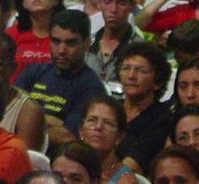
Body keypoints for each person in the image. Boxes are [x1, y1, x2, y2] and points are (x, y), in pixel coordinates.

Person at [14, 10, 106, 147]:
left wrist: (25, 119)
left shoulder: (91, 87)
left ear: (87, 44)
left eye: (70, 43)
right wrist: (49, 121)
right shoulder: (34, 71)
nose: (61, 50)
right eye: (56, 41)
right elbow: (7, 113)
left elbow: (66, 136)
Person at [113, 41, 173, 175]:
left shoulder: (162, 118)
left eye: (141, 70)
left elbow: (133, 165)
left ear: (158, 82)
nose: (131, 76)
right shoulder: (111, 108)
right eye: (126, 68)